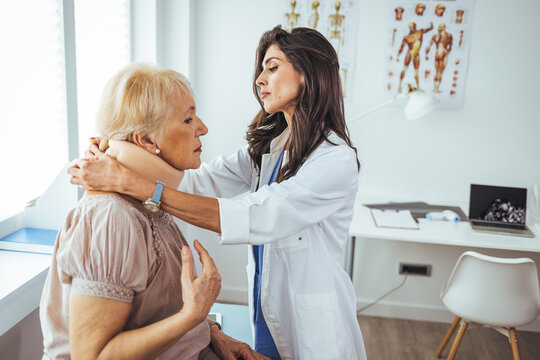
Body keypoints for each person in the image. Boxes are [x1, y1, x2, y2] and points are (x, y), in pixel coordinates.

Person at [69, 25, 367, 359]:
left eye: (272, 67)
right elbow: (198, 181)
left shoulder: (334, 159)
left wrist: (133, 183)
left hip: (313, 325)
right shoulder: (271, 147)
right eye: (261, 69)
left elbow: (256, 215)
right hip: (269, 311)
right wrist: (114, 150)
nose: (259, 80)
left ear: (307, 74)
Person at [40, 63, 268, 360]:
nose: (202, 128)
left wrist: (211, 330)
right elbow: (92, 356)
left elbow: (155, 311)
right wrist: (191, 316)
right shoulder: (112, 218)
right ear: (146, 141)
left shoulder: (147, 205)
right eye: (188, 119)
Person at [396, 21, 434, 92]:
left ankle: (418, 87)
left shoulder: (420, 32)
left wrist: (431, 26)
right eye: (410, 27)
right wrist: (398, 55)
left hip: (416, 54)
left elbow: (428, 29)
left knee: (416, 71)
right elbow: (402, 47)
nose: (411, 28)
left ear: (415, 26)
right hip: (409, 53)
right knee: (404, 69)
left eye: (412, 26)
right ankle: (399, 85)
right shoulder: (406, 37)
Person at [425, 23, 453, 93]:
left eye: (439, 27)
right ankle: (436, 88)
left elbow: (429, 46)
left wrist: (426, 54)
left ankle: (435, 88)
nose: (438, 28)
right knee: (440, 72)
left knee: (437, 71)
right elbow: (450, 47)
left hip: (437, 53)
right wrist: (447, 52)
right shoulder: (448, 35)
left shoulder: (436, 36)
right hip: (443, 52)